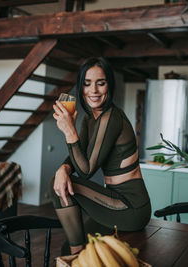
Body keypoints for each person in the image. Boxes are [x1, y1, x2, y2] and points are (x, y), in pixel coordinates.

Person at [50, 57, 151, 255]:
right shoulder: (90, 118)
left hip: (131, 207)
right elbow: (79, 157)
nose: (93, 91)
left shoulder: (111, 117)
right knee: (63, 246)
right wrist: (63, 168)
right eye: (87, 84)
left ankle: (76, 255)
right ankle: (75, 253)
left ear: (109, 85)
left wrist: (70, 132)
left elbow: (86, 171)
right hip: (112, 199)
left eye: (100, 83)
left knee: (58, 186)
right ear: (81, 87)